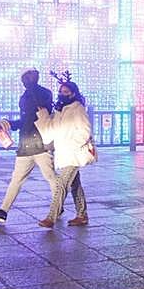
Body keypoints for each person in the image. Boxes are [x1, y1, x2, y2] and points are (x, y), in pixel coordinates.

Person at [0, 68, 58, 224]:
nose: (24, 82)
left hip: (38, 144)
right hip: (28, 144)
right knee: (23, 179)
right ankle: (3, 211)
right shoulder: (36, 94)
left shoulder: (37, 95)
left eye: (26, 79)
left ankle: (57, 206)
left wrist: (12, 123)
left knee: (50, 178)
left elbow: (32, 118)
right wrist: (11, 123)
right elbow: (27, 119)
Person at [35, 80, 94, 228]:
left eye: (66, 92)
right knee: (75, 185)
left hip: (74, 154)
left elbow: (85, 131)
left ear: (73, 93)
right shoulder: (60, 111)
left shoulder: (77, 109)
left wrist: (72, 145)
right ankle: (82, 215)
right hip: (63, 154)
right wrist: (42, 114)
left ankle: (51, 217)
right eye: (61, 92)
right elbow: (49, 132)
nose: (63, 94)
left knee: (61, 184)